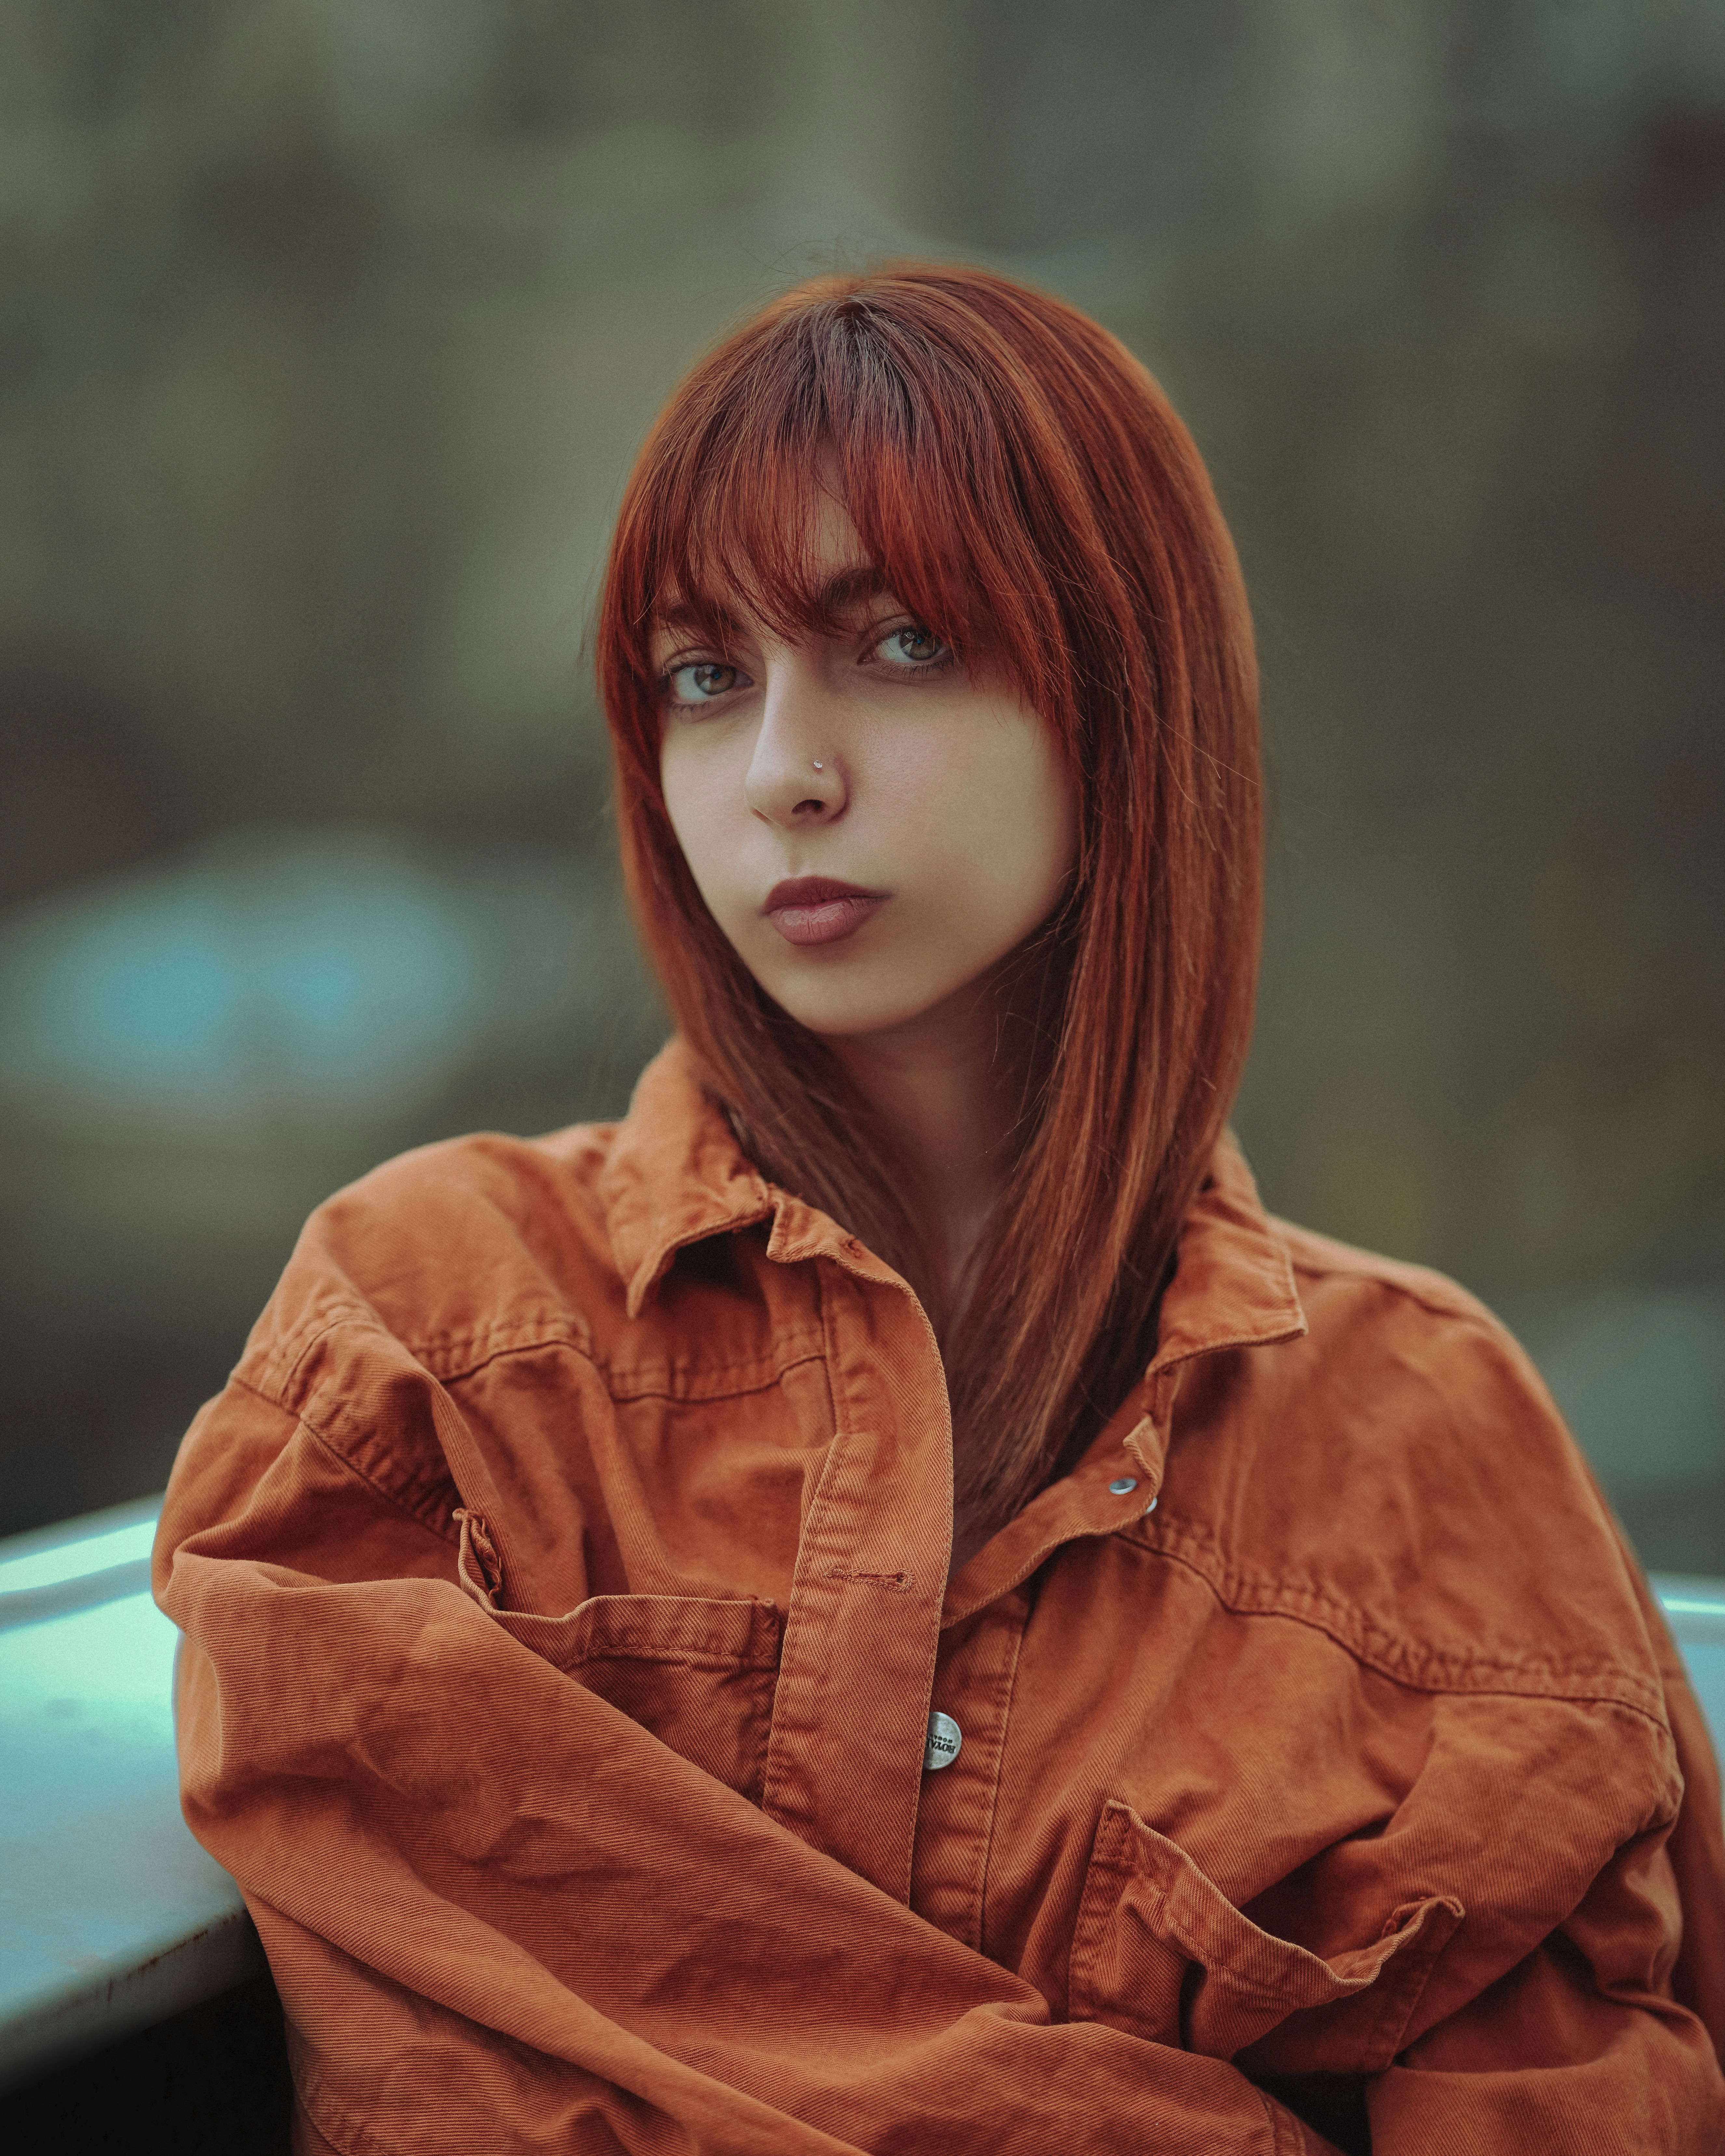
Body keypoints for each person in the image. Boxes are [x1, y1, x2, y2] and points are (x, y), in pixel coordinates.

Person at [154, 263, 1725, 2155]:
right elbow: (457, 2059)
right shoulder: (433, 1339)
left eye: (899, 643)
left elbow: (1574, 2100)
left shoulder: (1431, 1451)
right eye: (701, 676)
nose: (779, 777)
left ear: (1118, 692)